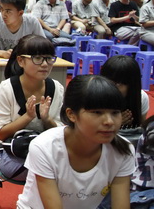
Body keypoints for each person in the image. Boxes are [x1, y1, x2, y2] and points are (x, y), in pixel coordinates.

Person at [17, 75, 134, 208]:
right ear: (71, 114)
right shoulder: (44, 147)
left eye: (115, 113)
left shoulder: (123, 150)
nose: (109, 121)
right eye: (97, 112)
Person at [0, 35, 64, 181]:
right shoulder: (7, 88)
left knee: (69, 165)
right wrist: (27, 117)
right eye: (37, 58)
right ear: (21, 61)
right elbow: (1, 134)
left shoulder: (57, 88)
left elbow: (60, 133)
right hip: (10, 150)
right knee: (46, 171)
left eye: (49, 58)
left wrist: (46, 119)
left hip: (45, 150)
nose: (45, 64)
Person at [101, 55, 148, 129]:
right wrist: (116, 123)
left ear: (131, 85)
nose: (110, 87)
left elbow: (141, 129)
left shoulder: (141, 98)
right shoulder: (95, 96)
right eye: (107, 82)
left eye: (117, 84)